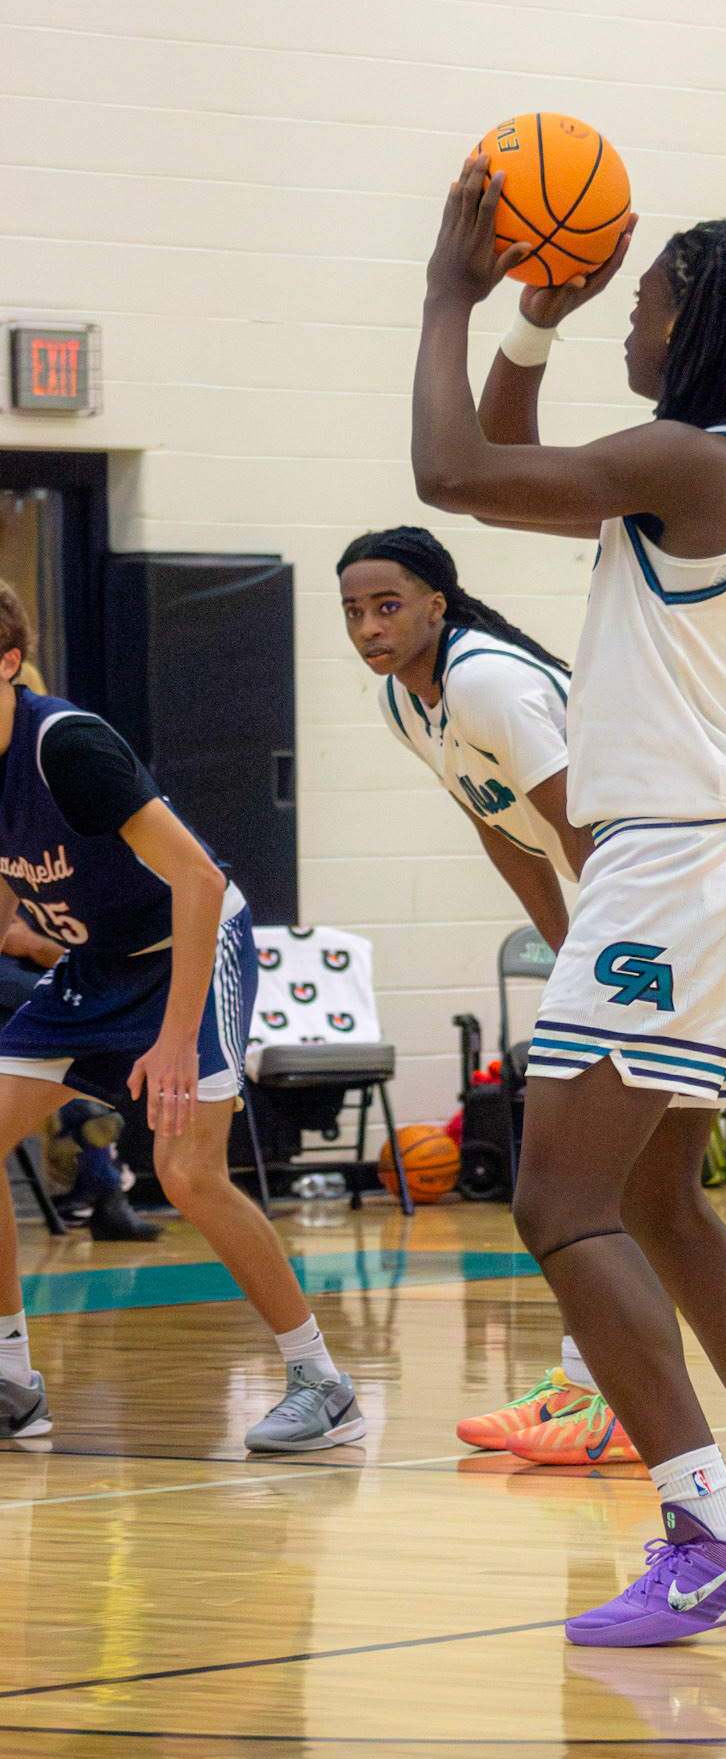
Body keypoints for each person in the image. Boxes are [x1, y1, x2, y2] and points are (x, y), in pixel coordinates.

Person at [409, 157, 726, 1647]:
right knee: (655, 1200)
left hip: (676, 853)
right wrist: (533, 323)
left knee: (558, 1197)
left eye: (645, 302)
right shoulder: (712, 466)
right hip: (710, 848)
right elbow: (508, 462)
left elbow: (449, 476)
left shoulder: (696, 460)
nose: (628, 318)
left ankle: (707, 1525)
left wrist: (448, 290)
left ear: (695, 329)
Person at [0, 582, 363, 1451]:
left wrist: (173, 1038)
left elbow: (197, 879)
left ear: (8, 662)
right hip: (98, 966)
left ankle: (323, 1384)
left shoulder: (67, 746)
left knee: (187, 1173)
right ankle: (10, 1380)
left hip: (190, 944)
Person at [337, 522, 636, 1465]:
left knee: (597, 1174)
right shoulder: (405, 701)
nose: (369, 627)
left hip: (660, 892)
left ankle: (614, 1396)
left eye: (388, 606)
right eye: (354, 611)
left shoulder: (485, 682)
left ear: (436, 604)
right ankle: (590, 1382)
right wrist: (567, 943)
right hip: (624, 910)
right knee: (588, 1175)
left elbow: (585, 827)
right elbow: (497, 827)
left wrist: (603, 948)